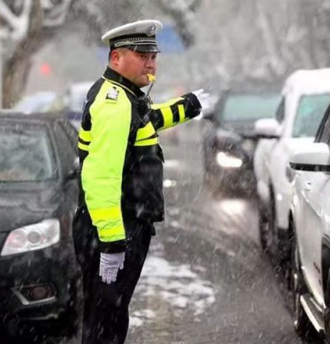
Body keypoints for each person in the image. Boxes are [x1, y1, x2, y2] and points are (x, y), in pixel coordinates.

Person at [72, 19, 209, 344]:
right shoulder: (115, 104)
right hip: (114, 228)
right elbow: (100, 177)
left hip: (119, 225)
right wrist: (112, 244)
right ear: (116, 58)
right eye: (141, 54)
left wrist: (186, 107)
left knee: (109, 316)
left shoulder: (123, 96)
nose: (150, 61)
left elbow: (146, 122)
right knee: (106, 321)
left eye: (153, 55)